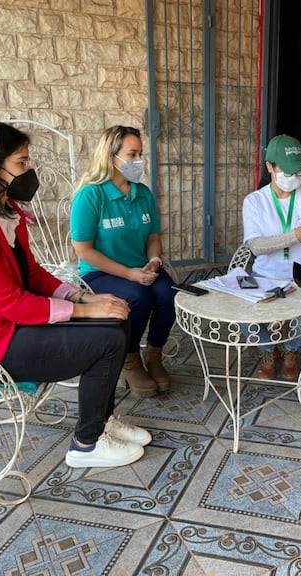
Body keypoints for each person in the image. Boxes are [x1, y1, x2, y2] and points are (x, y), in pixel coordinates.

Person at [0, 120, 152, 469]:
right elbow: (9, 302)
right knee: (105, 339)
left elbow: (32, 274)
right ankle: (86, 444)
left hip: (8, 325)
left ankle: (102, 420)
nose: (28, 170)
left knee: (116, 319)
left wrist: (82, 298)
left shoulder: (5, 212)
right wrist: (82, 313)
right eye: (21, 163)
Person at [71, 125, 176, 399]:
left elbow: (153, 236)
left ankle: (154, 354)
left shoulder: (143, 193)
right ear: (111, 156)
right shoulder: (90, 195)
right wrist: (129, 274)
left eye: (140, 153)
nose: (138, 161)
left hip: (141, 268)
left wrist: (154, 260)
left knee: (168, 293)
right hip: (100, 272)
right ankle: (130, 358)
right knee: (138, 296)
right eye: (132, 154)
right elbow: (83, 249)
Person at [242, 134, 301, 380]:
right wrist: (293, 236)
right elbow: (255, 247)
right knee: (244, 317)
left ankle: (290, 350)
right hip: (267, 273)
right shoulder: (255, 202)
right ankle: (267, 350)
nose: (294, 177)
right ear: (270, 167)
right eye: (286, 171)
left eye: (298, 172)